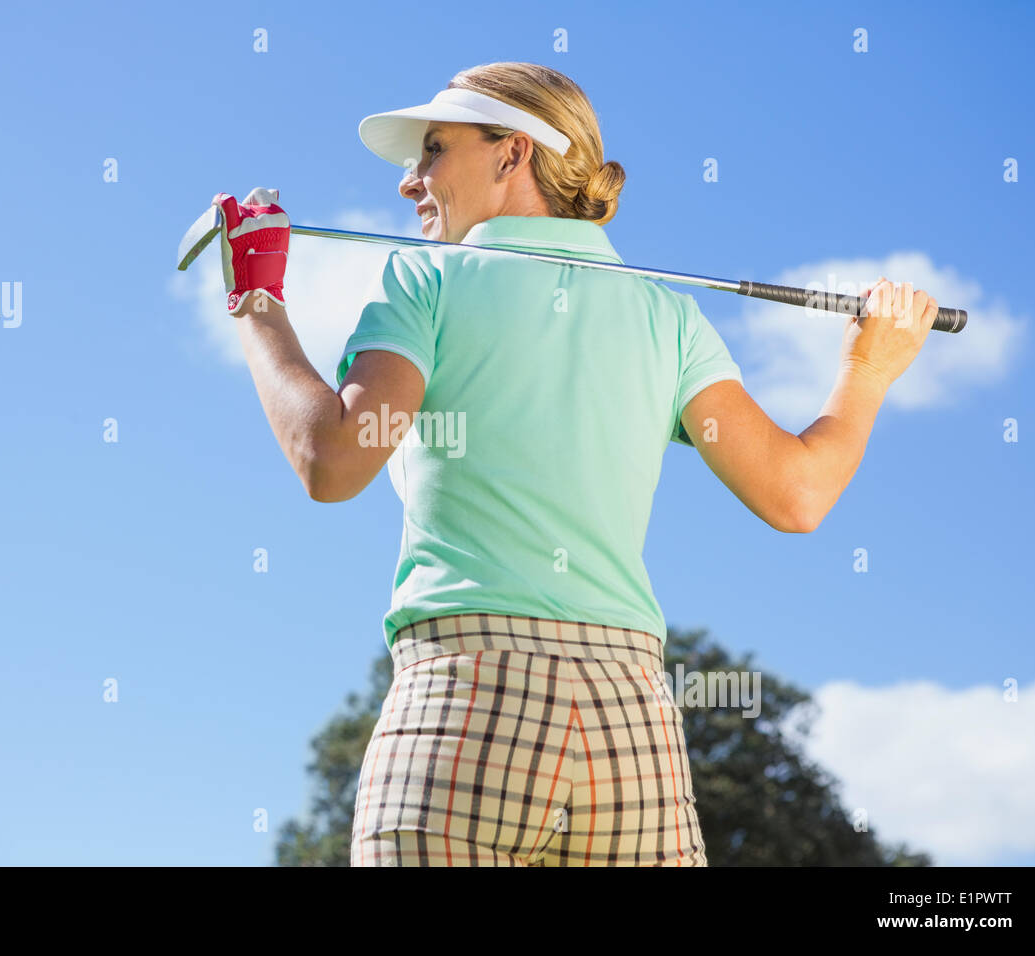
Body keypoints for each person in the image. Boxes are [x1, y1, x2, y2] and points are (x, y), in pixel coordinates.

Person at [212, 61, 940, 866]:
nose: (410, 182)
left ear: (512, 153)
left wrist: (257, 302)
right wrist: (869, 369)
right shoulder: (669, 316)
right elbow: (799, 493)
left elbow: (331, 461)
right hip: (629, 728)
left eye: (431, 152)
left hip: (465, 708)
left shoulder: (427, 279)